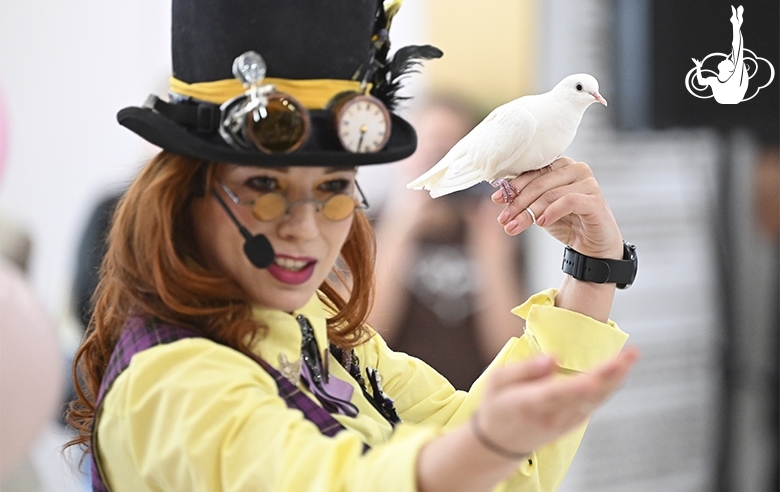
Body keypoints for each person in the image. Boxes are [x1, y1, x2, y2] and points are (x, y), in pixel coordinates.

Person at [65, 1, 639, 491]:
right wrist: (487, 443)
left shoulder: (320, 328)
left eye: (333, 189)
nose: (305, 228)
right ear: (184, 195)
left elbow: (497, 464)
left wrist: (592, 267)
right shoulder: (168, 385)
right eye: (264, 186)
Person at [370, 96, 528, 390]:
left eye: (449, 149)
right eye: (426, 148)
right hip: (392, 402)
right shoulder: (372, 227)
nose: (436, 162)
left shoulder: (496, 231)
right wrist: (401, 227)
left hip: (473, 401)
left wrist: (491, 254)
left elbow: (510, 351)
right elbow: (366, 334)